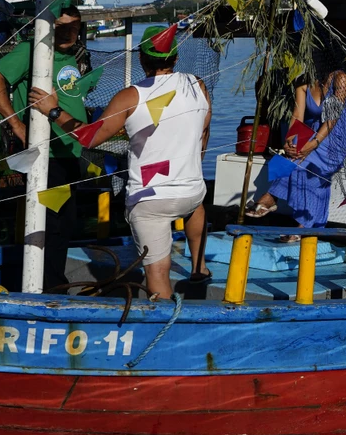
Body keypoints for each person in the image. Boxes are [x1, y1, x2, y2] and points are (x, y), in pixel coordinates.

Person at [30, 25, 212, 300]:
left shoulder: (131, 96)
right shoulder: (197, 84)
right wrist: (193, 166)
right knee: (195, 205)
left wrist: (53, 110)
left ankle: (162, 327)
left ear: (141, 59)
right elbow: (204, 131)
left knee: (158, 271)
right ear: (175, 59)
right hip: (192, 190)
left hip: (151, 201)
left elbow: (88, 138)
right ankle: (199, 267)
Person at [0, 4, 91, 289]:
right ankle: (50, 291)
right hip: (47, 155)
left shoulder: (70, 55)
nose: (68, 33)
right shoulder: (33, 50)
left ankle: (53, 284)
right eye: (61, 27)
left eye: (74, 26)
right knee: (50, 226)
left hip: (70, 152)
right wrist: (17, 125)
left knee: (63, 227)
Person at [245, 67, 346, 236]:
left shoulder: (340, 79)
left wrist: (313, 143)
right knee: (286, 156)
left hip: (339, 135)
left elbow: (333, 118)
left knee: (307, 159)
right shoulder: (302, 82)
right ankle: (302, 223)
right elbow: (298, 116)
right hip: (315, 132)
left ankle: (272, 197)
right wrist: (289, 140)